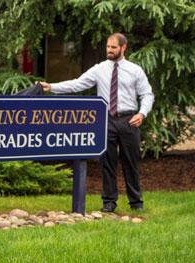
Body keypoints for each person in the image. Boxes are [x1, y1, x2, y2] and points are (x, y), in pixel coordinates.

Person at [39, 33, 154, 212]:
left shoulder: (135, 70)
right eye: (108, 47)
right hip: (106, 120)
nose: (109, 50)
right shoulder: (99, 69)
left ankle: (136, 203)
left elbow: (147, 94)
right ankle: (109, 202)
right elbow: (77, 84)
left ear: (123, 48)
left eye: (113, 47)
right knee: (107, 162)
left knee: (130, 163)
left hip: (129, 120)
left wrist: (142, 113)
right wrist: (52, 87)